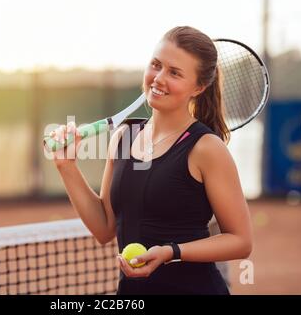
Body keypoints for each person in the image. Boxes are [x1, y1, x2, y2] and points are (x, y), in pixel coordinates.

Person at [48, 26, 252, 294]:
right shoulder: (123, 137)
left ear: (199, 87)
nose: (159, 78)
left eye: (175, 72)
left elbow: (240, 241)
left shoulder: (206, 148)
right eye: (156, 65)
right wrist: (67, 167)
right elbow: (104, 229)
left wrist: (171, 252)